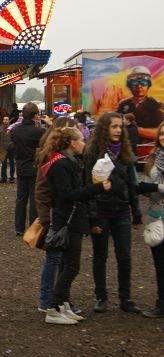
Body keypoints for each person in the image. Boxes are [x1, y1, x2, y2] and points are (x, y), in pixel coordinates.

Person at [43, 127, 111, 325]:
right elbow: (68, 195)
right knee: (71, 266)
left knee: (68, 264)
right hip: (68, 220)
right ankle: (54, 308)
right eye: (81, 140)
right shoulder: (62, 165)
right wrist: (97, 188)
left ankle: (61, 304)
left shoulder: (66, 162)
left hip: (70, 219)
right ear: (72, 143)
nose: (84, 143)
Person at [84, 112, 145, 314]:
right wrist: (92, 218)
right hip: (101, 211)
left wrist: (136, 213)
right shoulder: (93, 152)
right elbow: (88, 186)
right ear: (104, 129)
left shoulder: (126, 153)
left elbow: (132, 184)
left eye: (120, 127)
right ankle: (101, 297)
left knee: (125, 256)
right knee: (100, 256)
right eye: (114, 127)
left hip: (121, 211)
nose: (119, 130)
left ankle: (125, 297)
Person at [35, 117, 79, 314]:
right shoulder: (53, 158)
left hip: (63, 215)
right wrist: (45, 218)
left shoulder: (66, 158)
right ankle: (47, 300)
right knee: (54, 260)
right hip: (55, 216)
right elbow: (41, 189)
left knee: (62, 260)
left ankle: (60, 299)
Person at [139, 121, 164, 317]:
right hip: (156, 216)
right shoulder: (153, 157)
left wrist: (155, 188)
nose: (163, 137)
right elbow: (148, 184)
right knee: (159, 263)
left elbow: (154, 187)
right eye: (161, 134)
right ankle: (161, 302)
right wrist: (147, 188)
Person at [11, 103, 44, 236]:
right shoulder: (39, 132)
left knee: (21, 198)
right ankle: (32, 226)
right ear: (35, 115)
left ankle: (19, 227)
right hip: (34, 166)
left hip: (20, 165)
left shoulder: (15, 130)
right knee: (34, 197)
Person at [116, 66, 163, 140]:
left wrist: (135, 130)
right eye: (134, 82)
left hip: (148, 148)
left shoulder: (156, 105)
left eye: (143, 82)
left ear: (148, 85)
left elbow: (161, 132)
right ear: (129, 85)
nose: (139, 86)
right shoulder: (123, 105)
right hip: (127, 147)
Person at [0, 115, 15, 183]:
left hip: (11, 147)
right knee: (3, 164)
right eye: (4, 119)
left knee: (12, 163)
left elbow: (14, 137)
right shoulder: (0, 128)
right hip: (3, 147)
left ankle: (12, 177)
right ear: (3, 120)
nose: (5, 121)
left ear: (9, 120)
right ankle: (3, 178)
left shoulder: (12, 128)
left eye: (7, 119)